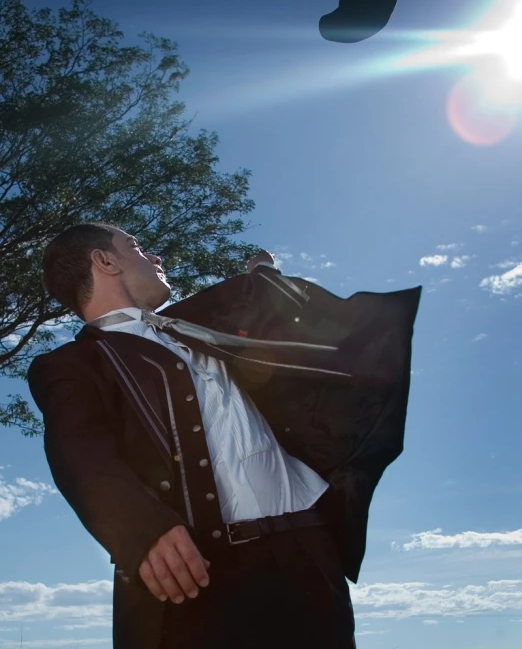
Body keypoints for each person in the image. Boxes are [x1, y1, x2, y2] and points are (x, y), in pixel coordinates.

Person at [28, 223, 421, 649]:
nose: (155, 258)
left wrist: (265, 278)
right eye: (136, 247)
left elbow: (269, 323)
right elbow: (80, 452)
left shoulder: (197, 329)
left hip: (310, 555)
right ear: (104, 262)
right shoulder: (74, 363)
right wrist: (141, 530)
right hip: (201, 575)